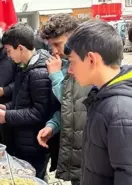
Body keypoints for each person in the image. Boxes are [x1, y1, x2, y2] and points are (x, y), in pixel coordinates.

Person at [67, 20, 132, 185]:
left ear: (91, 59)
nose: (70, 70)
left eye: (72, 61)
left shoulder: (120, 112)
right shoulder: (102, 94)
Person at [0, 23, 55, 180]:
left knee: (32, 179)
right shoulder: (23, 66)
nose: (8, 55)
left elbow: (39, 113)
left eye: (9, 51)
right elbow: (21, 101)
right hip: (21, 140)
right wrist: (5, 107)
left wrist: (7, 116)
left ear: (21, 48)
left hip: (33, 144)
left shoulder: (40, 73)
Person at [36, 14, 91, 185]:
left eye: (57, 44)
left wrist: (55, 76)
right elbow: (71, 109)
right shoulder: (67, 64)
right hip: (75, 152)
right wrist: (53, 125)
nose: (54, 51)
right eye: (51, 45)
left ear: (73, 36)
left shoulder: (88, 64)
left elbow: (76, 102)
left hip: (90, 152)